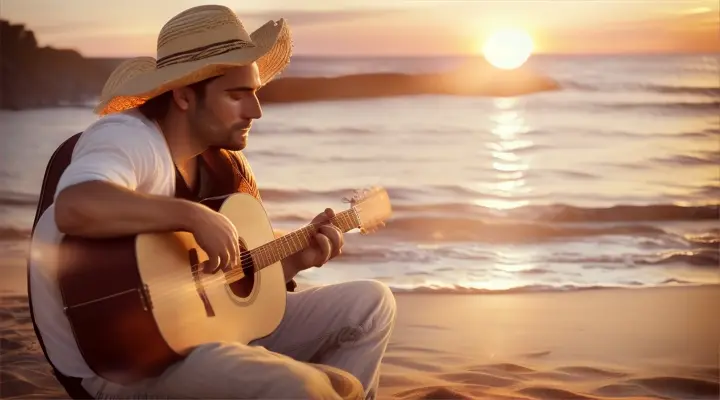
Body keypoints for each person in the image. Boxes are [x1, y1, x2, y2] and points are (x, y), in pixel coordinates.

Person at [27, 5, 396, 400]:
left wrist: (295, 262)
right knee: (302, 387)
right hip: (124, 364)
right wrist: (191, 214)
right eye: (237, 95)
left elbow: (230, 285)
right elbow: (75, 205)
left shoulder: (228, 166)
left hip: (201, 333)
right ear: (185, 96)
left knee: (372, 305)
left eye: (255, 93)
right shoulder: (128, 138)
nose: (256, 110)